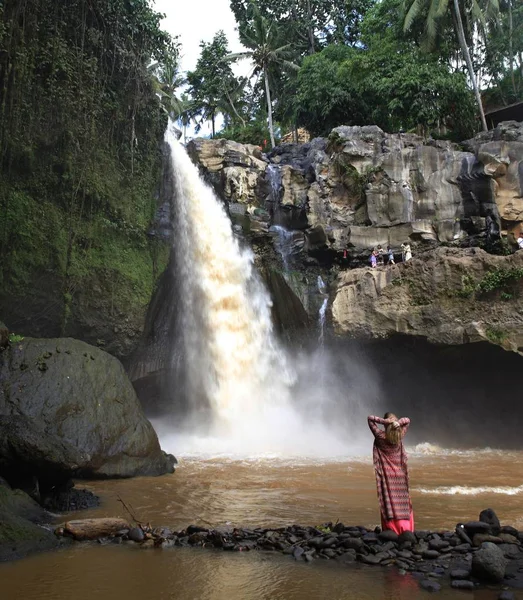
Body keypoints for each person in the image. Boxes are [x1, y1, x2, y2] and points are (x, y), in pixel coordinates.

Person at [368, 413, 414, 534]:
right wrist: (398, 422)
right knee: (402, 501)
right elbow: (407, 420)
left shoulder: (380, 437)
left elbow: (370, 419)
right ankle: (406, 529)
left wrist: (385, 421)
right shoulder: (399, 436)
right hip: (400, 475)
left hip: (387, 476)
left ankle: (391, 529)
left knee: (389, 501)